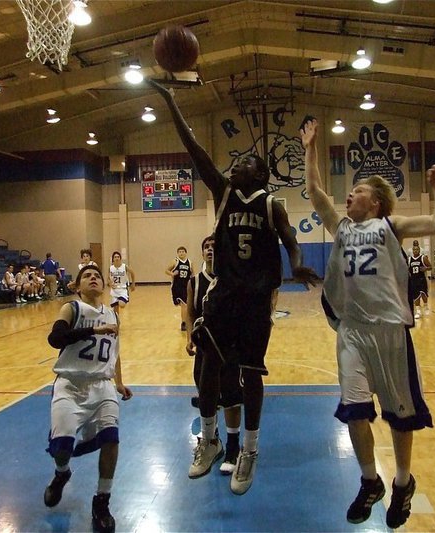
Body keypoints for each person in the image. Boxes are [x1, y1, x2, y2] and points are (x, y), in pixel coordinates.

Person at [149, 79, 319, 495]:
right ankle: (208, 440)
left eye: (244, 162)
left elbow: (291, 240)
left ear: (259, 174)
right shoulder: (223, 193)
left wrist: (298, 264)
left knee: (250, 374)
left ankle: (249, 450)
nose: (235, 164)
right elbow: (195, 151)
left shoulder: (270, 203)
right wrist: (171, 102)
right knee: (208, 363)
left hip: (256, 300)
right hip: (223, 296)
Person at [301, 118, 435, 529]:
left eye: (359, 190)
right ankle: (370, 481)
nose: (350, 194)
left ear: (377, 202)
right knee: (353, 409)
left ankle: (402, 482)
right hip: (351, 330)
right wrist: (310, 147)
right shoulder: (341, 226)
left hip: (390, 331)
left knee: (401, 415)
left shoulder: (391, 226)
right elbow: (314, 191)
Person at [43, 264, 133, 533]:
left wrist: (118, 382)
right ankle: (62, 473)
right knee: (62, 447)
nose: (93, 278)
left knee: (111, 438)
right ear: (77, 285)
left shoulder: (113, 315)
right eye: (87, 276)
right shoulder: (72, 308)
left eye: (97, 276)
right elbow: (55, 339)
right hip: (70, 385)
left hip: (102, 386)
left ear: (103, 285)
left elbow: (114, 353)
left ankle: (102, 500)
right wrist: (93, 331)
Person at [186, 235, 243, 475]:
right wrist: (189, 337)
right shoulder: (195, 281)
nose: (210, 250)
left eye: (214, 247)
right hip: (205, 349)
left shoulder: (231, 279)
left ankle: (232, 447)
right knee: (207, 395)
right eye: (206, 247)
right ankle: (212, 441)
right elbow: (189, 312)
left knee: (231, 398)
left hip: (229, 348)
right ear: (202, 253)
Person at [165, 246, 194, 331]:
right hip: (177, 286)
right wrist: (172, 274)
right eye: (179, 252)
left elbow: (192, 273)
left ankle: (185, 321)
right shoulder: (175, 261)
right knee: (184, 305)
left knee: (186, 305)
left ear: (186, 253)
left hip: (186, 286)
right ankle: (184, 323)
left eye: (183, 251)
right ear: (177, 253)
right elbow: (166, 270)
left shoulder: (190, 262)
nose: (181, 253)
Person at [408, 240, 432, 319]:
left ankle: (426, 307)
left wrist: (425, 268)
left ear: (419, 250)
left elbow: (430, 267)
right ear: (412, 250)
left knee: (423, 294)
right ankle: (418, 311)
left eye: (417, 249)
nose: (415, 251)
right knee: (416, 296)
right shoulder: (409, 259)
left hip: (422, 279)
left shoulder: (423, 258)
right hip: (413, 280)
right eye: (414, 249)